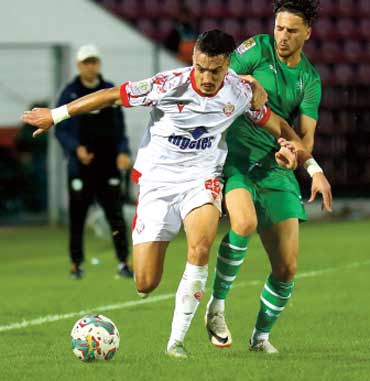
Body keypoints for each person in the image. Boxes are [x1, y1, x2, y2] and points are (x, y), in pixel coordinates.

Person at [21, 30, 331, 358]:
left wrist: (307, 163)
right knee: (145, 283)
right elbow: (112, 95)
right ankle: (159, 277)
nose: (207, 77)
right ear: (193, 60)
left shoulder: (239, 92)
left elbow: (278, 124)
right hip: (157, 184)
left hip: (202, 179)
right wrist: (55, 116)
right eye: (200, 68)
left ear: (228, 67)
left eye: (215, 70)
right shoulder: (168, 84)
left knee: (200, 246)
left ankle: (176, 342)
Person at [205, 0, 330, 353]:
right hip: (237, 160)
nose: (282, 37)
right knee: (243, 224)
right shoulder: (256, 49)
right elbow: (218, 76)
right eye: (279, 28)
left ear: (308, 32)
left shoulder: (309, 80)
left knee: (287, 268)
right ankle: (216, 306)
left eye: (291, 30)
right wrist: (237, 82)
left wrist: (295, 156)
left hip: (275, 168)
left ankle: (260, 338)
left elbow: (305, 138)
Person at [54, 44, 133, 279]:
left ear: (98, 64)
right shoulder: (70, 93)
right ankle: (76, 264)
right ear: (79, 65)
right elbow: (61, 129)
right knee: (77, 218)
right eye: (86, 62)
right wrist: (75, 149)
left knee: (115, 216)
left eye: (94, 61)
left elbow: (120, 128)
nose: (90, 66)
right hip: (81, 167)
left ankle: (123, 262)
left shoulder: (109, 90)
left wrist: (123, 151)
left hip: (107, 164)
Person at [15, 101, 48, 212]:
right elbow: (19, 140)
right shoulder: (28, 125)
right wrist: (24, 154)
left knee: (42, 180)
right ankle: (32, 208)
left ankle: (44, 208)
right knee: (31, 181)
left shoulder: (51, 122)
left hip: (44, 159)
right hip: (33, 158)